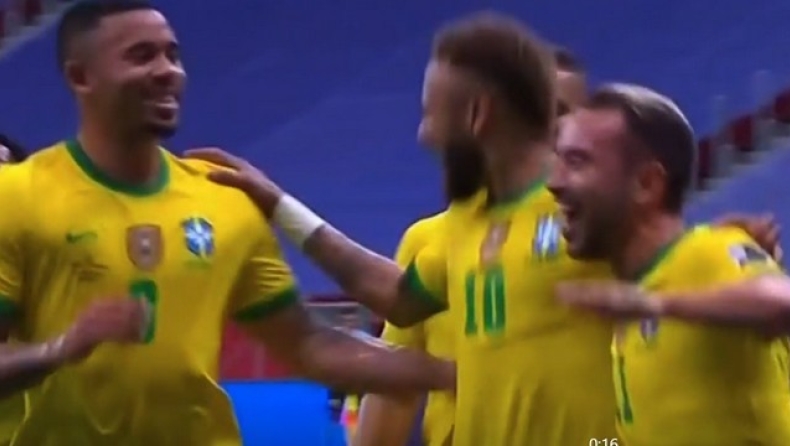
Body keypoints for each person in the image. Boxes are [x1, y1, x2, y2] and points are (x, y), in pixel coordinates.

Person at [185, 13, 781, 446]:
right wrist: (280, 206)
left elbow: (682, 254)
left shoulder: (584, 210)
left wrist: (726, 247)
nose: (421, 129)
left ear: (477, 114)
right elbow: (397, 296)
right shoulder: (457, 229)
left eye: (429, 107)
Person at [0, 1, 453, 444]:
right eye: (142, 56)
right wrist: (61, 348)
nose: (167, 71)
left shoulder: (221, 198)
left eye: (172, 55)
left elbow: (309, 346)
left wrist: (449, 372)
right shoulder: (17, 196)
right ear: (80, 77)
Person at [353, 43, 591, 446]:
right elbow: (393, 391)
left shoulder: (595, 226)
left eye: (561, 113)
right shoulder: (430, 240)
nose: (545, 129)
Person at [551, 84, 790, 445]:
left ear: (646, 184)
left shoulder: (707, 251)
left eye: (577, 162)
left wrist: (656, 304)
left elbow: (782, 304)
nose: (553, 182)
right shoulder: (632, 312)